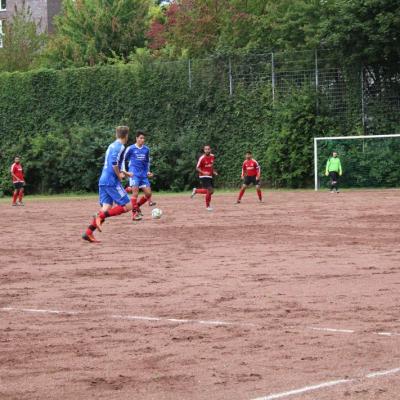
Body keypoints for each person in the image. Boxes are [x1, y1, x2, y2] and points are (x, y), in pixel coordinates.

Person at [82, 126, 134, 243]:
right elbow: (114, 163)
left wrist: (125, 172)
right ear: (126, 136)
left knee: (106, 208)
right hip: (111, 181)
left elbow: (113, 162)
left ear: (117, 135)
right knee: (128, 206)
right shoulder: (120, 146)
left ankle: (88, 233)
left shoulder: (111, 145)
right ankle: (99, 217)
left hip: (103, 179)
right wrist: (119, 175)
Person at [123, 130, 155, 221]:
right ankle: (134, 215)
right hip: (134, 173)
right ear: (136, 138)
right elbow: (123, 159)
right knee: (135, 194)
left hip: (143, 175)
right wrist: (124, 171)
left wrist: (148, 172)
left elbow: (147, 162)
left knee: (148, 194)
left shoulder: (146, 149)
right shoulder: (131, 148)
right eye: (141, 138)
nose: (142, 140)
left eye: (143, 138)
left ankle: (137, 206)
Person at [191, 145, 218, 211]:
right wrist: (203, 172)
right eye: (206, 149)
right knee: (210, 190)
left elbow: (211, 166)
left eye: (208, 149)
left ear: (210, 150)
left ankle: (196, 191)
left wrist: (214, 171)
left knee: (211, 192)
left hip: (210, 176)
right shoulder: (202, 158)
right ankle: (208, 206)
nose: (207, 150)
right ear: (204, 150)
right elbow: (197, 168)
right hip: (203, 176)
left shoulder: (212, 156)